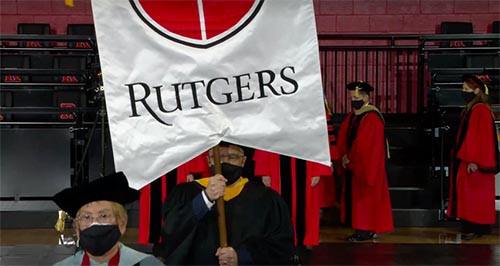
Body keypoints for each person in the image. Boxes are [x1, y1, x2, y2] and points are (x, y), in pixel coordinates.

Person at [153, 142, 295, 265]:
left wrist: (242, 257)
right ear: (209, 161)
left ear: (243, 161)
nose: (225, 162)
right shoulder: (185, 193)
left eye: (233, 157)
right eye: (218, 157)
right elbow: (170, 232)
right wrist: (205, 198)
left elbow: (281, 245)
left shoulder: (267, 199)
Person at [52, 172, 164, 265]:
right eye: (87, 217)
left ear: (122, 223)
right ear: (77, 227)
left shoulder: (147, 264)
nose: (94, 223)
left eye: (104, 216)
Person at [337, 81, 394, 241]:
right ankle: (361, 229)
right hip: (353, 164)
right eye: (351, 97)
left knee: (365, 198)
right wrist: (343, 155)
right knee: (360, 198)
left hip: (367, 166)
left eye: (356, 97)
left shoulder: (372, 117)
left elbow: (365, 145)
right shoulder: (355, 115)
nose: (353, 100)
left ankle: (365, 230)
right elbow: (344, 137)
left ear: (366, 97)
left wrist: (350, 158)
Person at [447, 74, 498, 240]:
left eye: (466, 88)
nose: (463, 91)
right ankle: (475, 226)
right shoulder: (474, 108)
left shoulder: (480, 109)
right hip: (470, 160)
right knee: (471, 195)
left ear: (477, 90)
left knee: (475, 196)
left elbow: (480, 137)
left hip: (475, 162)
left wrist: (474, 160)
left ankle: (477, 227)